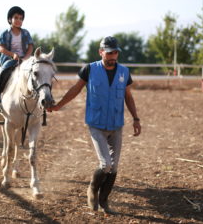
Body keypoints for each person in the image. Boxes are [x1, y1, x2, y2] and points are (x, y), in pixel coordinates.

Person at [47, 36, 141, 214]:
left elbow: (128, 97)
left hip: (116, 125)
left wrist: (136, 118)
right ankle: (92, 189)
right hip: (96, 124)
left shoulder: (124, 72)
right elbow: (76, 89)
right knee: (105, 164)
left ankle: (104, 200)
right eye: (109, 52)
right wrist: (59, 105)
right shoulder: (89, 69)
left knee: (114, 168)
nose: (113, 56)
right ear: (101, 52)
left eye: (115, 52)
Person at [0, 6, 34, 115]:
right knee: (1, 72)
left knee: (37, 73)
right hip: (9, 59)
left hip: (24, 59)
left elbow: (30, 47)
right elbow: (1, 48)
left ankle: (39, 101)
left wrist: (26, 57)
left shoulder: (26, 33)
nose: (19, 20)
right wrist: (12, 55)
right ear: (10, 19)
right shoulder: (5, 33)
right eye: (16, 18)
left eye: (21, 18)